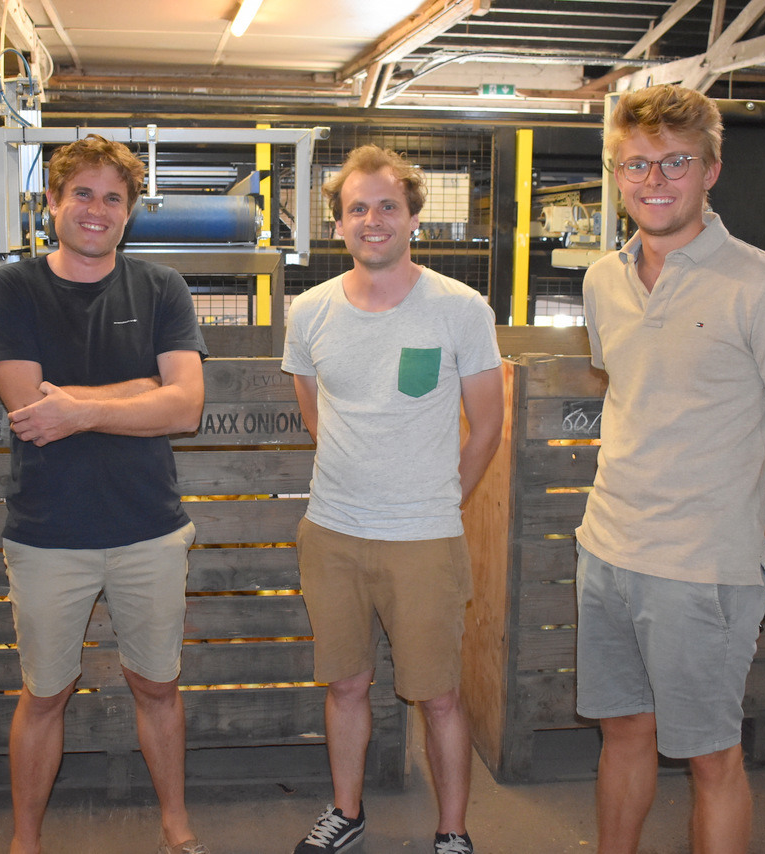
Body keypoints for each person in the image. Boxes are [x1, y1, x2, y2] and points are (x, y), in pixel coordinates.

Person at [575, 84, 765, 854]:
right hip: (606, 551)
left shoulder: (763, 285)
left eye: (675, 163)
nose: (654, 181)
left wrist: (751, 529)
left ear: (711, 170)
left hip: (703, 570)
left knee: (713, 758)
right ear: (618, 175)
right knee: (624, 731)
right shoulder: (602, 280)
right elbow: (633, 393)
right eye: (636, 164)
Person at [0, 134, 209, 854]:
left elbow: (187, 408)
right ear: (53, 201)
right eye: (82, 193)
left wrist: (78, 408)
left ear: (128, 212)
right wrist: (140, 391)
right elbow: (31, 412)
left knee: (157, 686)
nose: (96, 209)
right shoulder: (10, 289)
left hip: (150, 528)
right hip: (48, 533)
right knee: (45, 693)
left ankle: (177, 825)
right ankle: (26, 839)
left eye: (113, 198)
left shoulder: (161, 288)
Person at [281, 145, 504, 854]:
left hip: (424, 538)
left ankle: (452, 831)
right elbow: (314, 408)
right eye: (358, 209)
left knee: (438, 694)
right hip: (332, 533)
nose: (372, 220)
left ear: (413, 218)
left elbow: (487, 425)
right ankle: (346, 812)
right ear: (338, 225)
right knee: (346, 684)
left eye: (387, 206)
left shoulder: (460, 309)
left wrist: (438, 502)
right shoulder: (310, 311)